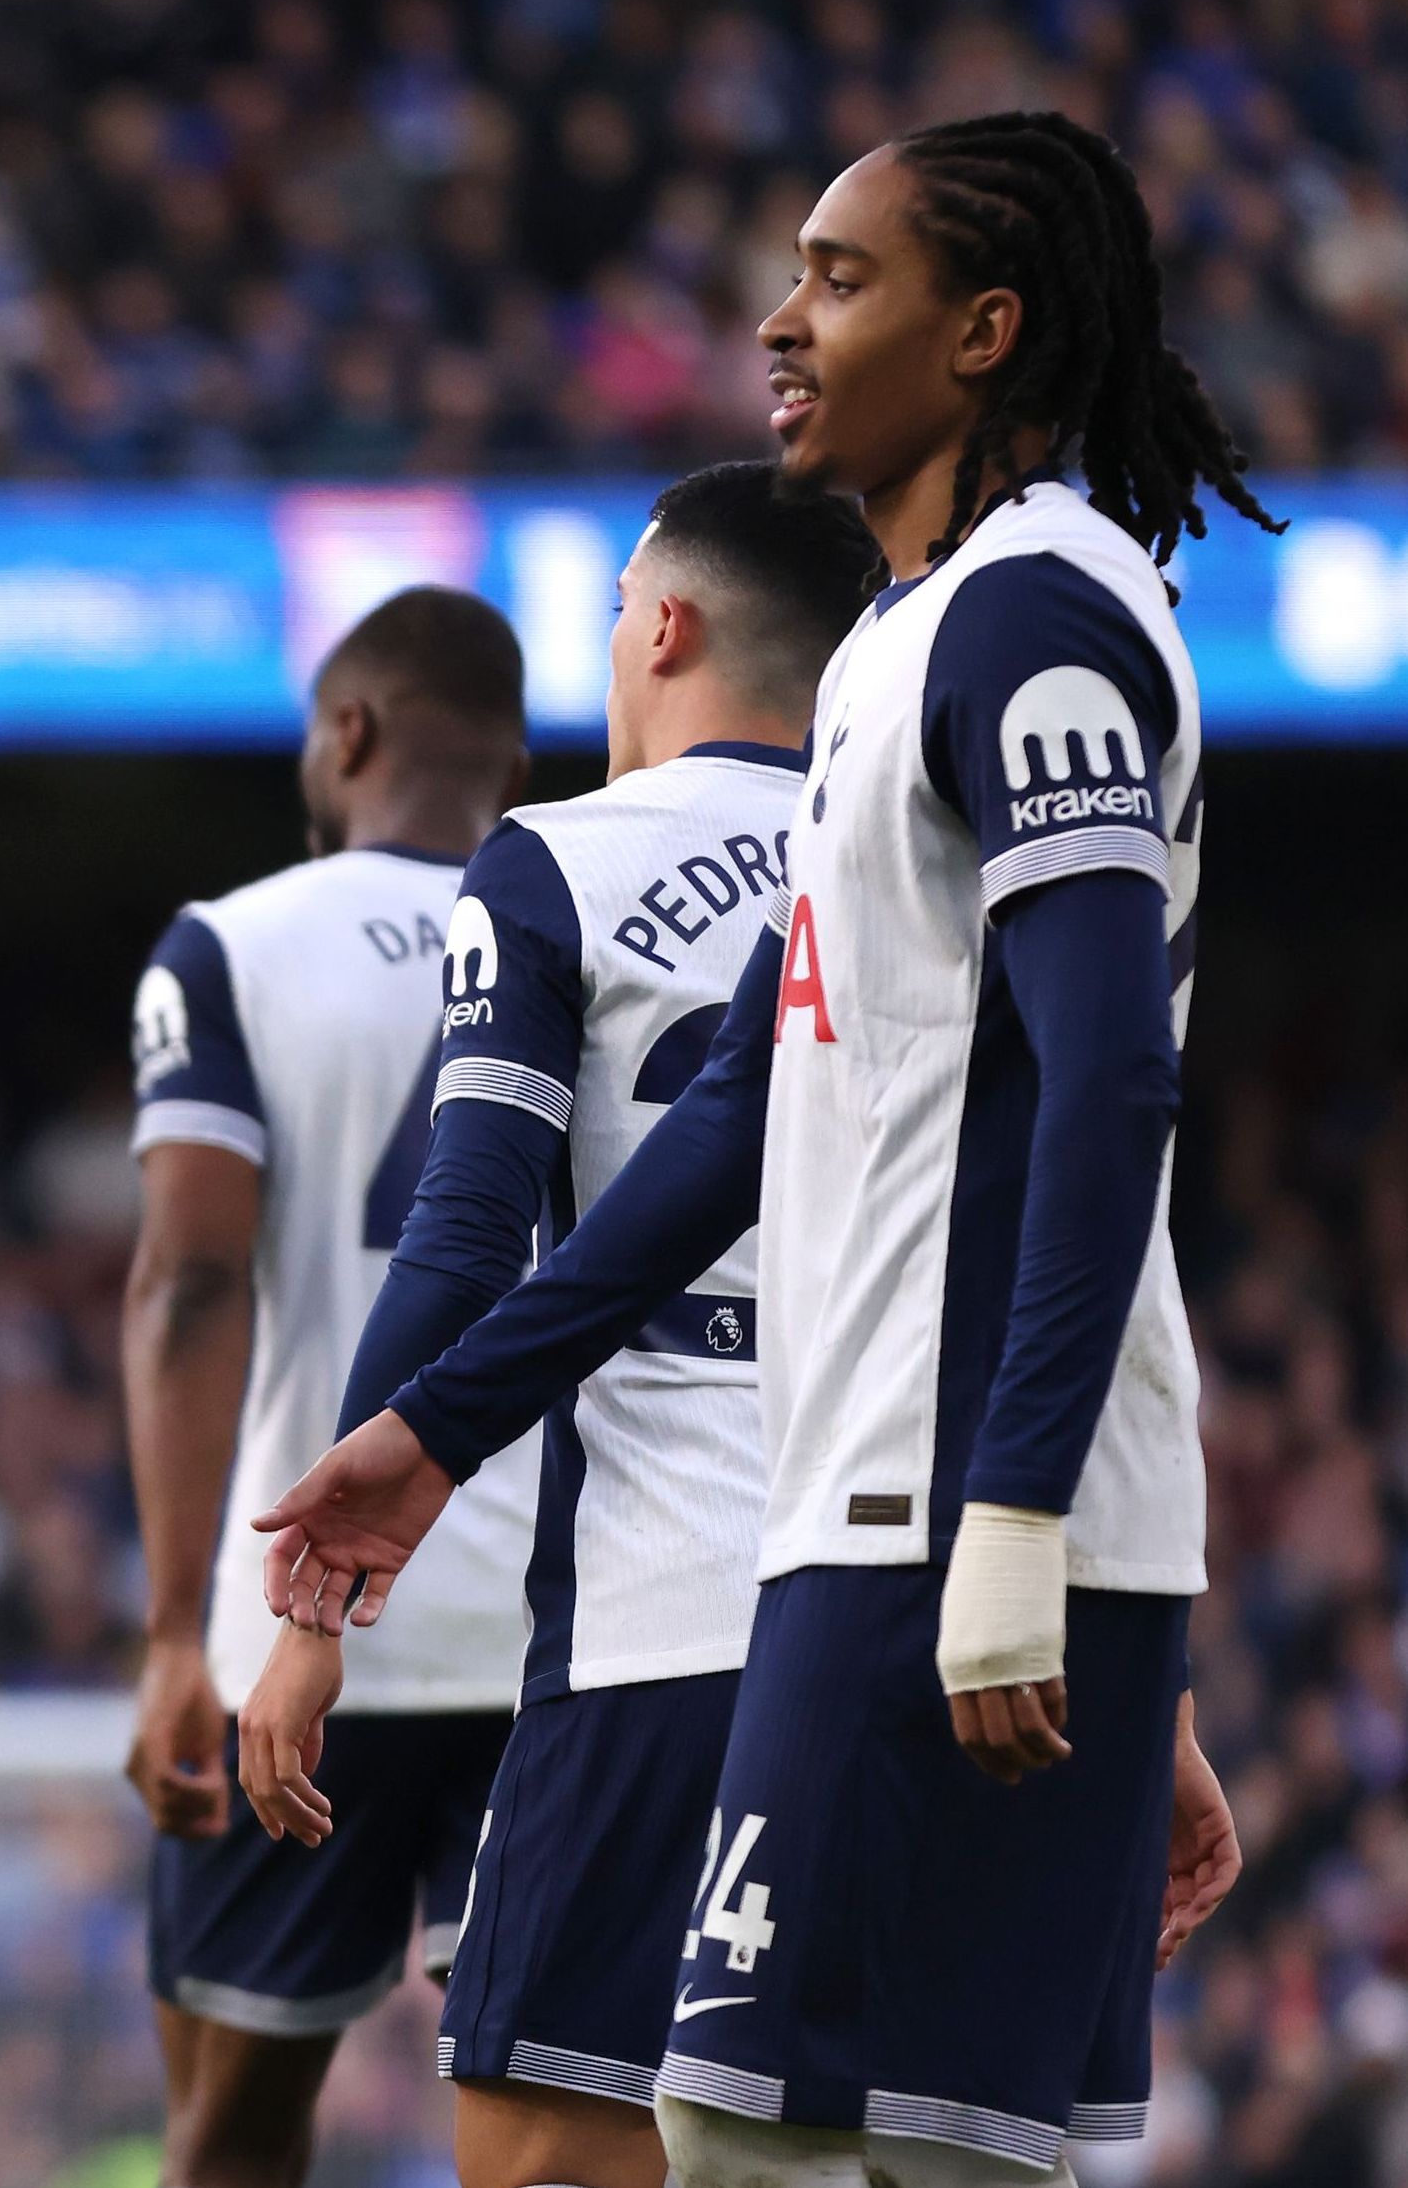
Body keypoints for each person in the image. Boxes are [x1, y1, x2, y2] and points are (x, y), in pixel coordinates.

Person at [258, 113, 1261, 2186]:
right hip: (856, 1499)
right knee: (754, 2125)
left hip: (960, 1501)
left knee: (859, 2140)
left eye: (836, 276)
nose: (774, 318)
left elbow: (1105, 1087)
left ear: (983, 331)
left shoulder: (1039, 625)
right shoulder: (902, 644)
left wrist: (1016, 1516)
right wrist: (436, 1428)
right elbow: (739, 1112)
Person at [226, 465, 880, 2188]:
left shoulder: (556, 860)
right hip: (910, 1603)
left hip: (665, 1619)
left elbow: (457, 1243)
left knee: (542, 2156)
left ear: (662, 625)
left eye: (610, 619)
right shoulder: (915, 851)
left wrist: (316, 1597)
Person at [118, 585, 537, 2188]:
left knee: (230, 2123)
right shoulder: (581, 920)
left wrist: (169, 1630)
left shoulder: (229, 943)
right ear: (508, 756)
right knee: (559, 2116)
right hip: (551, 1617)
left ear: (345, 731)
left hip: (301, 1624)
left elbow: (189, 1280)